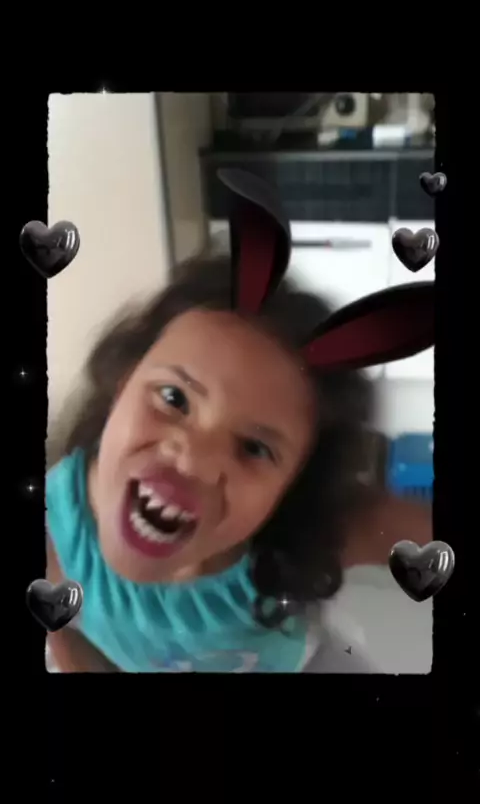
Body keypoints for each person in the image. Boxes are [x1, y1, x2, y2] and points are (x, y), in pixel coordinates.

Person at [46, 171, 434, 673]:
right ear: (122, 384)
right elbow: (64, 629)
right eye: (174, 398)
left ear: (295, 484)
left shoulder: (308, 534)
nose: (193, 459)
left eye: (254, 448)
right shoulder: (56, 524)